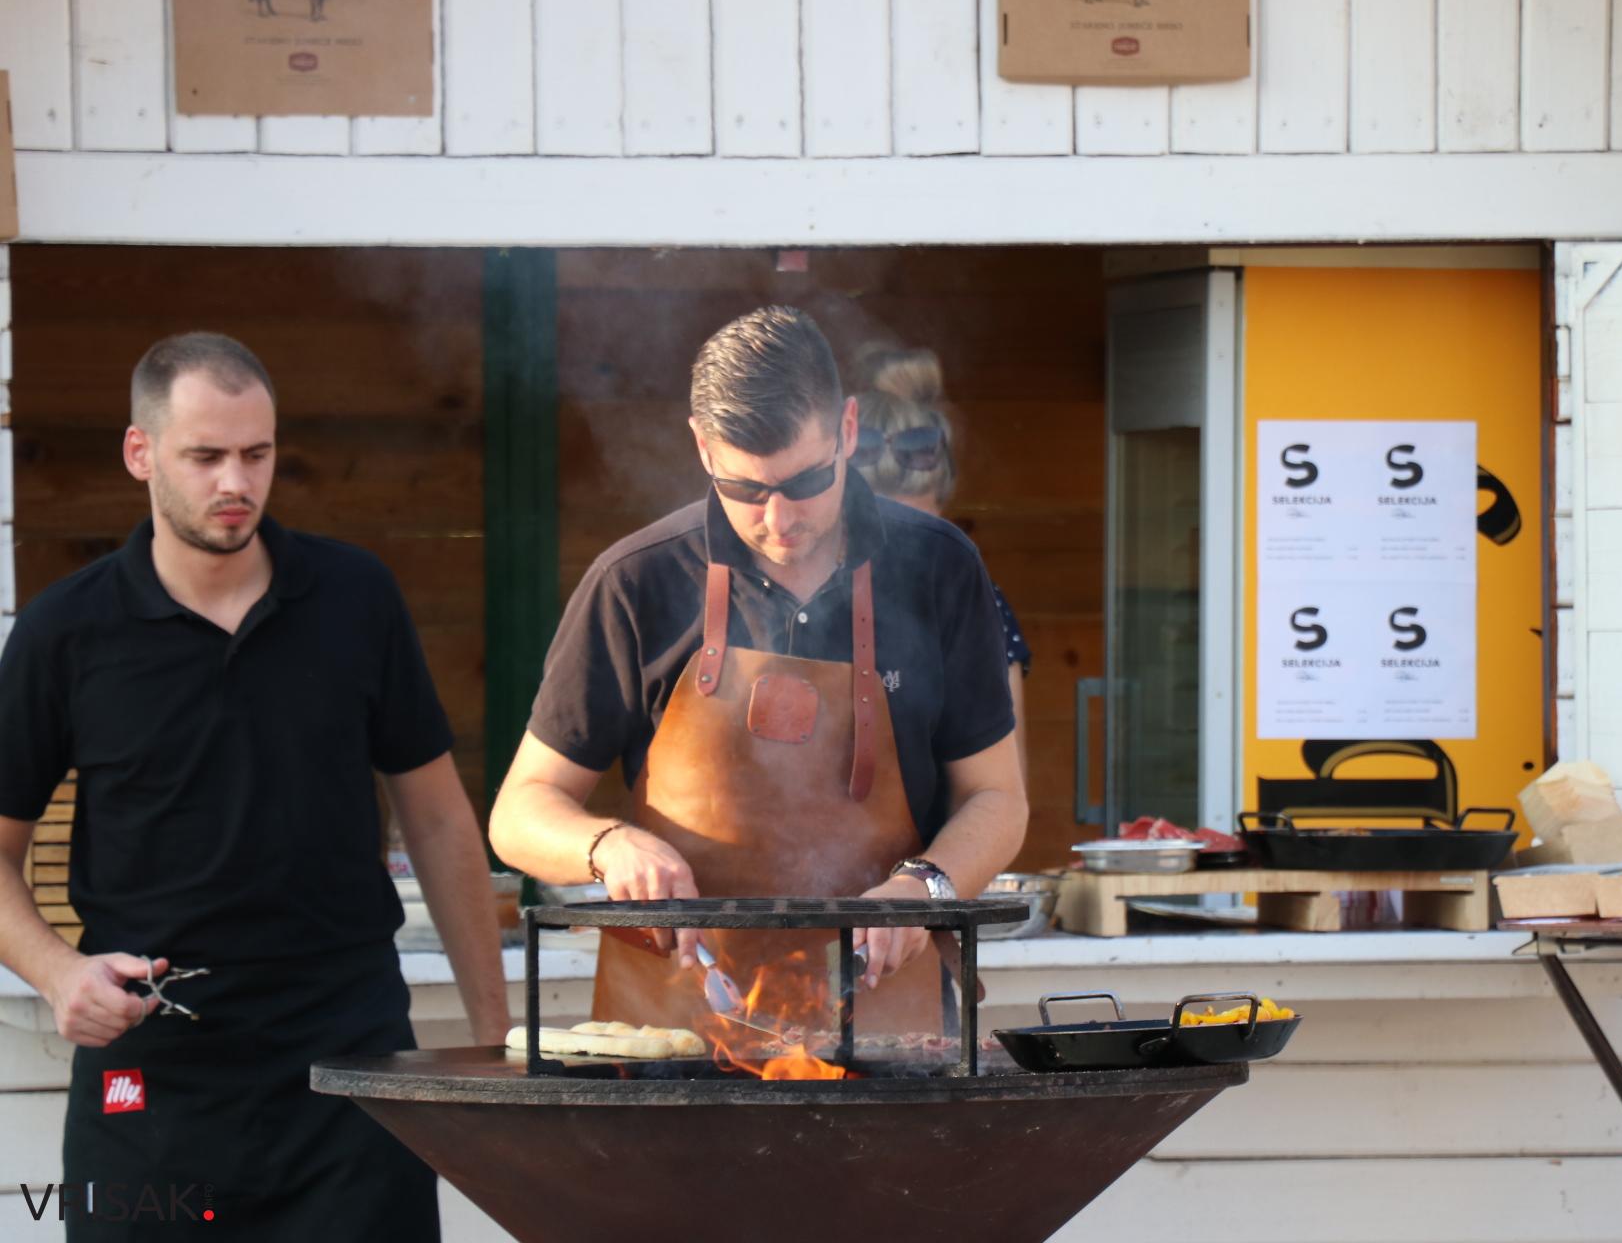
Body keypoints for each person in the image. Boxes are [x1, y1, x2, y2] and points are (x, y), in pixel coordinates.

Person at [0, 333, 507, 1240]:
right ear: (140, 452)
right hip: (150, 1078)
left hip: (352, 1070)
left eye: (257, 453)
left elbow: (436, 820)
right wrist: (56, 971)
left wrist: (498, 1045)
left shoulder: (356, 598)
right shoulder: (63, 634)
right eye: (205, 456)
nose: (235, 482)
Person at [489, 306, 1027, 1034]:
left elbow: (998, 800)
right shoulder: (635, 582)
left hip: (889, 1031)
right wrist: (606, 845)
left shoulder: (938, 568)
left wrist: (923, 888)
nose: (779, 519)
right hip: (673, 1039)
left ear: (846, 430)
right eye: (746, 490)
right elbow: (520, 810)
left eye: (805, 482)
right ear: (703, 447)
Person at [846, 345, 1032, 783]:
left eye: (921, 532)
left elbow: (1002, 792)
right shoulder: (795, 592)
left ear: (943, 509)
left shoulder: (974, 604)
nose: (903, 549)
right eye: (885, 525)